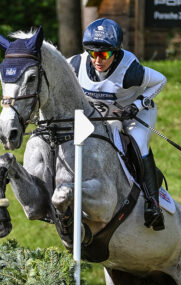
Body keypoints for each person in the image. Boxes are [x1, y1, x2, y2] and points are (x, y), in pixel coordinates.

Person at [69, 18, 167, 231]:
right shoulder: (76, 64)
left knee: (139, 144)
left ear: (116, 52)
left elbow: (161, 80)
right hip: (102, 116)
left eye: (104, 54)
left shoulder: (130, 70)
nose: (97, 59)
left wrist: (138, 105)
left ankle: (153, 204)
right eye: (93, 53)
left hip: (134, 114)